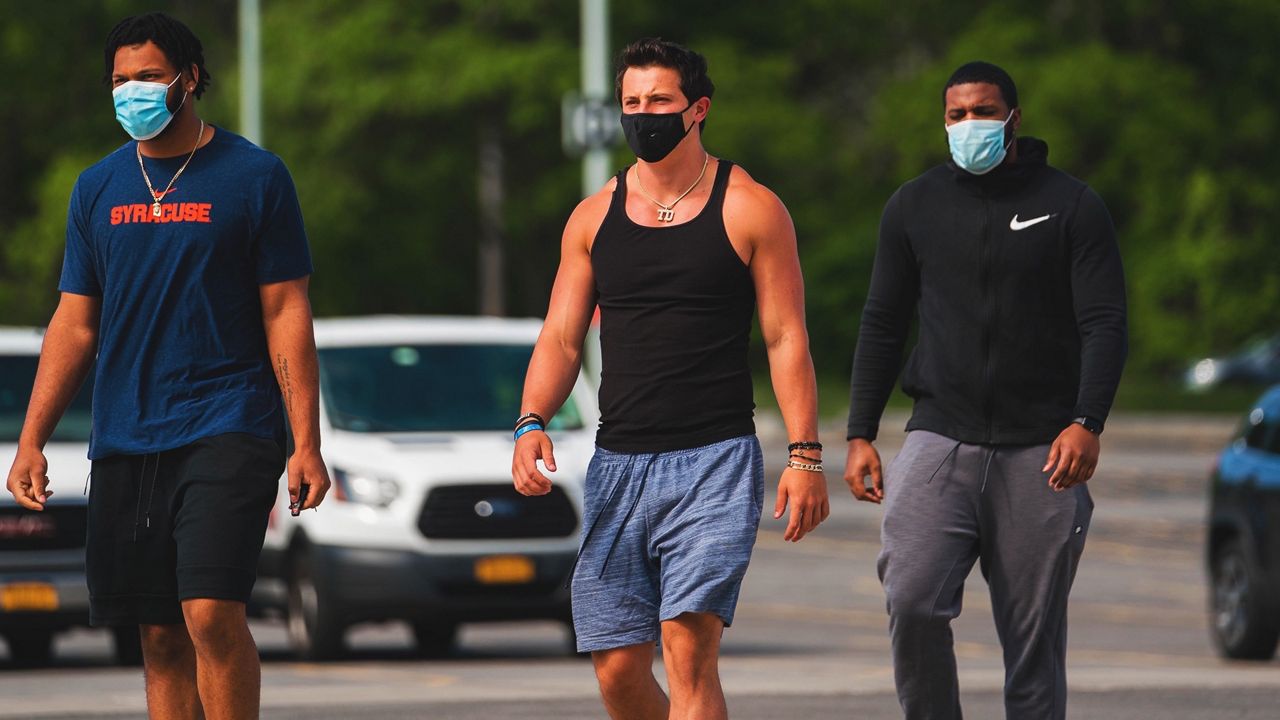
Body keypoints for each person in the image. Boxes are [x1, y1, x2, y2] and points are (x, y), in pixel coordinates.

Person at [4, 12, 329, 720]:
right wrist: (31, 437)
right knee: (157, 633)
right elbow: (74, 323)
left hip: (230, 422)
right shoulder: (97, 188)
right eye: (119, 81)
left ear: (190, 79)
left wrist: (306, 441)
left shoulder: (255, 177)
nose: (132, 93)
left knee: (210, 612)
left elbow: (286, 312)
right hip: (127, 434)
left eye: (148, 76)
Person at [512, 38, 828, 720]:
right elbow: (563, 335)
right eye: (632, 103)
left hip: (714, 460)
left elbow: (784, 336)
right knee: (618, 672)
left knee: (688, 652)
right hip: (618, 462)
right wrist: (531, 419)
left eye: (659, 101)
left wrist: (805, 454)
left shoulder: (751, 208)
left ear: (698, 110)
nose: (643, 115)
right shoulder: (593, 216)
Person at [843, 61, 1127, 720]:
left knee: (1032, 643)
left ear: (1014, 119)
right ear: (944, 122)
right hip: (941, 437)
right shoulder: (913, 206)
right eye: (957, 114)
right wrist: (861, 431)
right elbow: (883, 323)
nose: (970, 124)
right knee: (912, 599)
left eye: (984, 112)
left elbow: (1104, 322)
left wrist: (1088, 419)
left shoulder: (1072, 205)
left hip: (1043, 450)